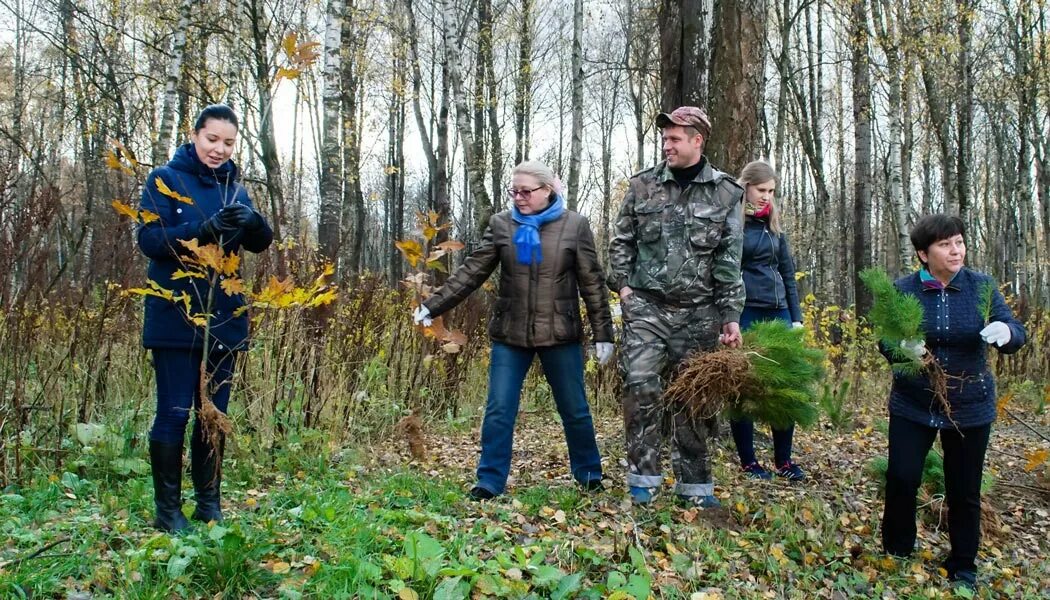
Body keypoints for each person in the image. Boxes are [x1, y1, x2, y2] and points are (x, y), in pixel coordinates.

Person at [413, 160, 614, 500]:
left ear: (547, 190)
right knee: (499, 409)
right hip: (510, 333)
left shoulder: (575, 226)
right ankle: (489, 481)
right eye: (514, 191)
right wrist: (434, 305)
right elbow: (471, 272)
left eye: (526, 191)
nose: (518, 197)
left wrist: (603, 334)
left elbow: (592, 283)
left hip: (560, 334)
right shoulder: (501, 225)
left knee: (574, 408)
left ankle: (589, 474)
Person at [137, 104, 273, 531]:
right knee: (175, 412)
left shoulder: (237, 189)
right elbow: (150, 240)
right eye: (212, 139)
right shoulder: (164, 179)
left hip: (224, 317)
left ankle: (208, 504)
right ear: (195, 135)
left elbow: (260, 243)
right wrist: (204, 229)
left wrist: (253, 221)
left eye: (229, 142)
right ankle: (168, 513)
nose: (219, 149)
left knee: (213, 413)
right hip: (175, 312)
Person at [607, 106, 745, 507]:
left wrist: (730, 316)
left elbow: (728, 260)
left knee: (694, 397)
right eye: (664, 138)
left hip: (700, 313)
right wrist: (624, 290)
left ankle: (695, 487)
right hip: (647, 308)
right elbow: (621, 242)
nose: (666, 144)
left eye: (675, 138)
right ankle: (643, 480)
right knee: (640, 386)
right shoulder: (642, 186)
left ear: (697, 140)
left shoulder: (726, 192)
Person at [880, 214, 1026, 591]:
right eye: (945, 244)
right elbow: (886, 342)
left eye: (959, 242)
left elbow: (1016, 331)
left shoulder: (982, 286)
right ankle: (897, 551)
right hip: (914, 403)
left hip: (969, 405)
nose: (955, 250)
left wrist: (1007, 332)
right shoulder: (903, 289)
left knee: (964, 489)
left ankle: (963, 564)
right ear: (923, 254)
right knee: (901, 478)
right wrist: (902, 350)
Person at [729, 160, 806, 481]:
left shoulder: (774, 227)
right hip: (747, 311)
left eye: (771, 191)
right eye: (761, 190)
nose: (766, 197)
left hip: (780, 313)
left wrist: (796, 317)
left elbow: (787, 273)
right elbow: (726, 273)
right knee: (744, 387)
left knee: (783, 387)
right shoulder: (731, 224)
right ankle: (748, 461)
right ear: (745, 186)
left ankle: (783, 461)